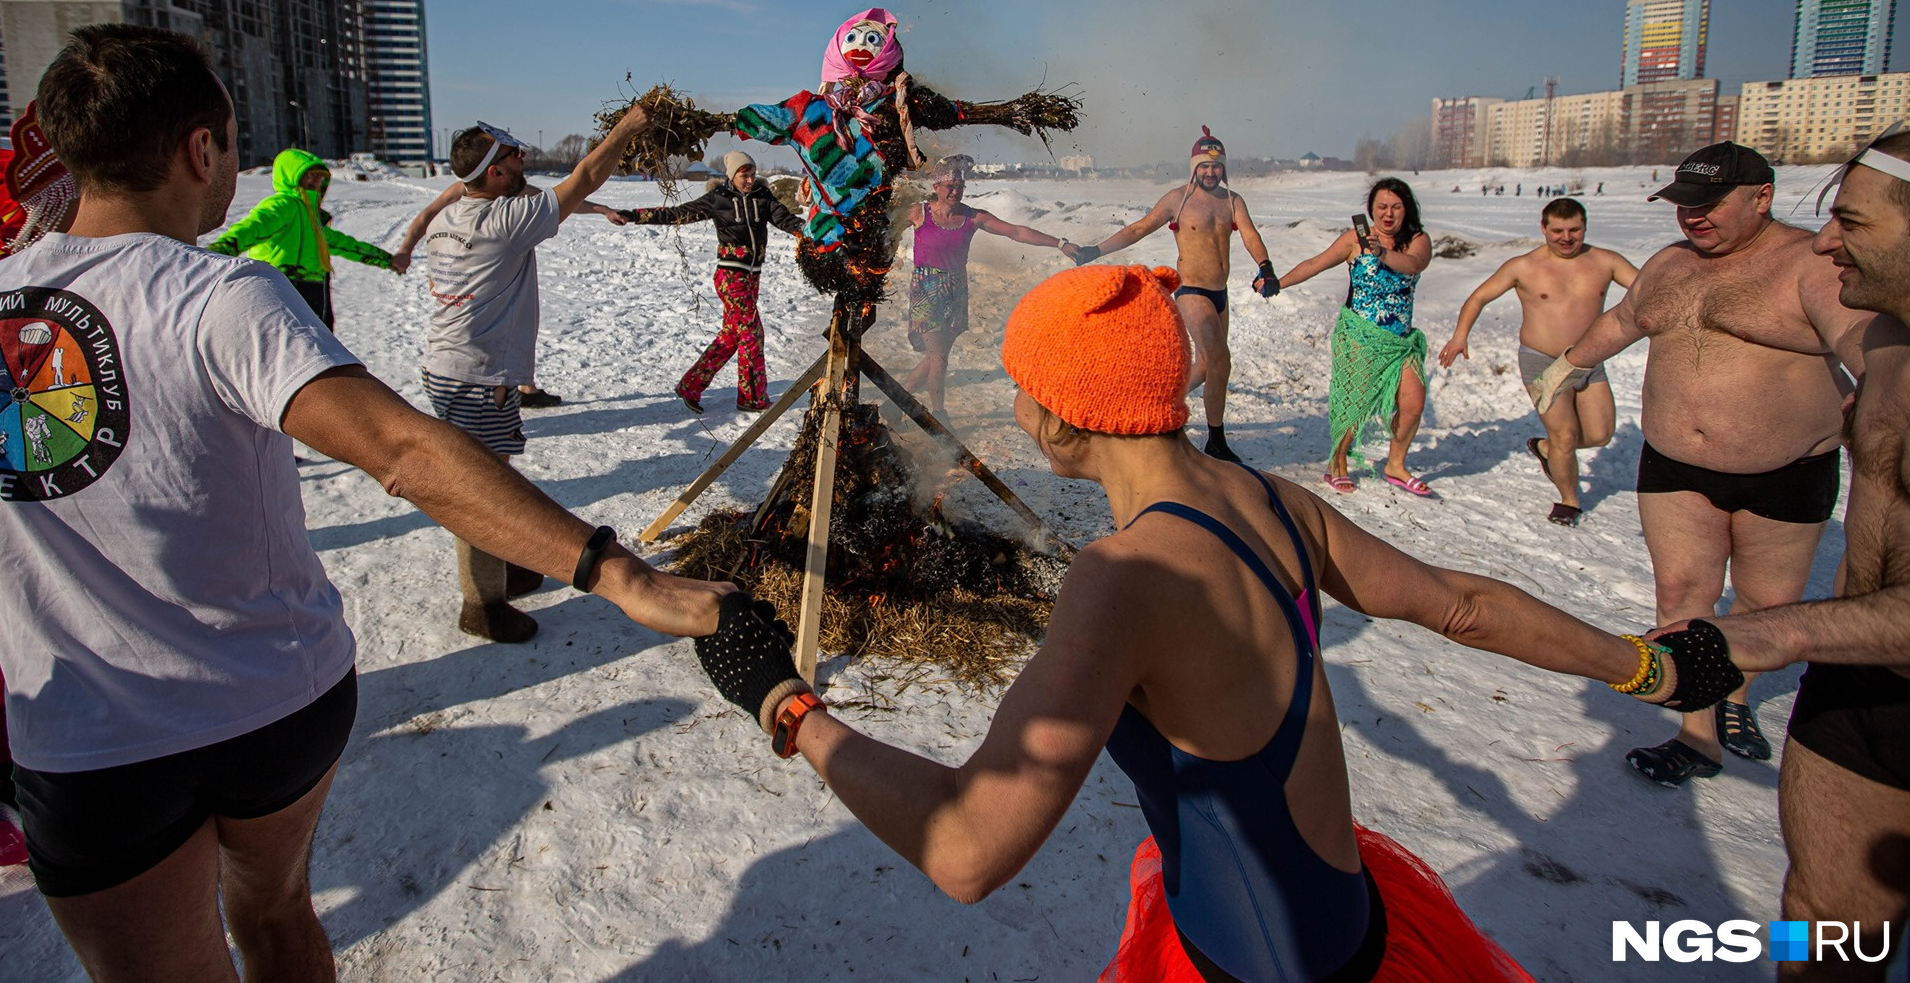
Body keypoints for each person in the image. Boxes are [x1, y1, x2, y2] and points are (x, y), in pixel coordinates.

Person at [0, 25, 726, 982]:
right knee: (272, 914)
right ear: (200, 149)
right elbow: (402, 450)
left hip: (88, 738)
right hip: (272, 699)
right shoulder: (221, 296)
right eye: (232, 135)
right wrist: (615, 569)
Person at [689, 264, 1745, 982]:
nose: (1014, 411)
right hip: (1346, 926)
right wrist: (1648, 668)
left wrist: (783, 702)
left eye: (1020, 390)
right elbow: (1459, 604)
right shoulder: (1268, 501)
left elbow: (968, 849)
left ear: (1063, 414)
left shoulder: (1124, 577)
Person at [1531, 142, 1869, 787]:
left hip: (1788, 470)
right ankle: (1697, 732)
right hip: (1675, 465)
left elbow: (1858, 336)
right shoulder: (1670, 264)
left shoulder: (1809, 265)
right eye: (1685, 205)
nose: (1693, 218)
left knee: (1766, 605)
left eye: (1708, 205)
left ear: (1761, 196)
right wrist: (1566, 366)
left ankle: (1737, 699)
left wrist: (1879, 387)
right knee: (1683, 597)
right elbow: (1626, 319)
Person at [1661, 129, 1910, 977]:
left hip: (1840, 643)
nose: (1829, 239)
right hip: (1859, 690)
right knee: (1821, 916)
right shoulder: (1889, 350)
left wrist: (1777, 634)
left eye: (1852, 221)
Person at [413, 118, 647, 642]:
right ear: (495, 172)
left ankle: (505, 561)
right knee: (480, 492)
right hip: (477, 378)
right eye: (516, 156)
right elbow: (583, 177)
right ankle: (482, 605)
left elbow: (565, 195)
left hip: (450, 368)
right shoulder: (502, 222)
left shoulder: (453, 215)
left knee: (490, 479)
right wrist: (627, 130)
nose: (526, 159)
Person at [0, 102, 81, 867]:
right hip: (22, 475)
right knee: (42, 624)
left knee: (27, 623)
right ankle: (17, 781)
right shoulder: (40, 282)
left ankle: (10, 781)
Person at [1072, 127, 1275, 462]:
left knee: (1209, 366)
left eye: (1217, 166)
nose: (1211, 172)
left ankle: (1153, 403)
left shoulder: (1232, 201)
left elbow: (1250, 235)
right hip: (1192, 291)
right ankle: (1216, 440)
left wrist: (1265, 266)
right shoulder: (1177, 200)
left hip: (1219, 292)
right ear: (1194, 167)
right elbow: (1140, 228)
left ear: (1223, 168)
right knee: (1221, 360)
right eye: (1204, 166)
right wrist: (1096, 250)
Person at [1438, 198, 1639, 524]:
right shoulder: (1524, 266)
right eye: (1557, 230)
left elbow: (1650, 289)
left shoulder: (1606, 261)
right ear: (1543, 229)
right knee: (1566, 436)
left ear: (1584, 227)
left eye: (1574, 229)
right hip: (1542, 361)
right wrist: (1460, 336)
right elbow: (1480, 296)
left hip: (1589, 359)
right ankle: (1569, 500)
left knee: (1601, 434)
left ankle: (1548, 449)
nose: (1566, 237)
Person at [393, 156, 625, 409]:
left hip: (507, 260)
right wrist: (406, 250)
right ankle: (494, 388)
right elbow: (428, 215)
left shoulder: (515, 189)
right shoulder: (463, 190)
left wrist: (601, 209)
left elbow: (563, 199)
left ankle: (525, 386)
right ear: (493, 170)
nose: (520, 160)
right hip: (480, 271)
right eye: (511, 155)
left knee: (520, 319)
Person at [1274, 178, 1435, 496]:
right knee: (1355, 404)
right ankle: (1338, 462)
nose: (1388, 214)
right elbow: (1315, 264)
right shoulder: (1354, 240)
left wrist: (1382, 253)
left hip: (1401, 341)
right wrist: (1279, 283)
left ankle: (1396, 465)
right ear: (1371, 210)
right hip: (1359, 334)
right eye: (1381, 207)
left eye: (1396, 207)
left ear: (1407, 209)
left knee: (1413, 404)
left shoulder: (1418, 240)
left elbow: (1414, 264)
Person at [614, 149, 805, 413]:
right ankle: (751, 398)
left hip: (752, 277)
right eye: (743, 176)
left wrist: (807, 232)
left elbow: (784, 218)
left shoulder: (763, 196)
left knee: (731, 336)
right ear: (732, 175)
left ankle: (691, 385)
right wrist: (634, 215)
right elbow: (676, 214)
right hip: (730, 275)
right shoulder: (719, 199)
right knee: (751, 333)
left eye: (751, 175)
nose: (749, 181)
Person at [903, 154, 1080, 417]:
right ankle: (939, 414)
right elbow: (887, 227)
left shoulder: (973, 217)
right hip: (926, 289)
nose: (955, 192)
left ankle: (896, 406)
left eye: (960, 187)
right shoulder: (919, 212)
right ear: (936, 187)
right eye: (949, 186)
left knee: (934, 358)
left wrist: (1059, 243)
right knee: (938, 357)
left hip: (955, 289)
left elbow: (1015, 231)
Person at [206, 147, 403, 329]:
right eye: (310, 176)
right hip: (283, 286)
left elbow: (346, 245)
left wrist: (387, 260)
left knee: (318, 346)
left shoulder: (311, 218)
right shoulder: (284, 205)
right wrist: (220, 250)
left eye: (319, 176)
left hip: (314, 287)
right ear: (292, 176)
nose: (316, 181)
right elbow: (251, 228)